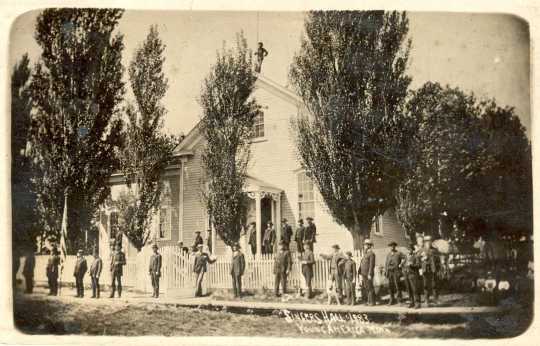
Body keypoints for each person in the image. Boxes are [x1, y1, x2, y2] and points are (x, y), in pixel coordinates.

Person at [418, 235, 439, 306]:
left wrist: (438, 269)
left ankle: (435, 300)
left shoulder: (434, 250)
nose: (428, 243)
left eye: (429, 241)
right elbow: (417, 259)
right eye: (426, 241)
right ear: (424, 242)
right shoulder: (421, 250)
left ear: (431, 242)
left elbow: (438, 261)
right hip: (425, 270)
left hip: (432, 270)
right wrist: (422, 260)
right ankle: (427, 300)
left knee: (434, 285)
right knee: (425, 285)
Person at [403, 243, 421, 308]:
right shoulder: (406, 257)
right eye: (407, 249)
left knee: (415, 289)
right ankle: (411, 302)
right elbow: (404, 265)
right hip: (407, 275)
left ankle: (417, 303)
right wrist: (403, 266)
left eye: (410, 249)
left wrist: (412, 265)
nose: (408, 251)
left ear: (412, 250)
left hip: (413, 275)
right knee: (409, 289)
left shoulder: (416, 256)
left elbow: (419, 265)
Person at [359, 239, 376, 306]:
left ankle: (372, 302)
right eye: (364, 245)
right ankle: (368, 301)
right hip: (364, 273)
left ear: (369, 246)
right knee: (366, 287)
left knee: (370, 287)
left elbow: (372, 264)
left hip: (368, 273)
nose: (364, 246)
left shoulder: (371, 254)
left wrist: (369, 274)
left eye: (365, 245)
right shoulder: (365, 254)